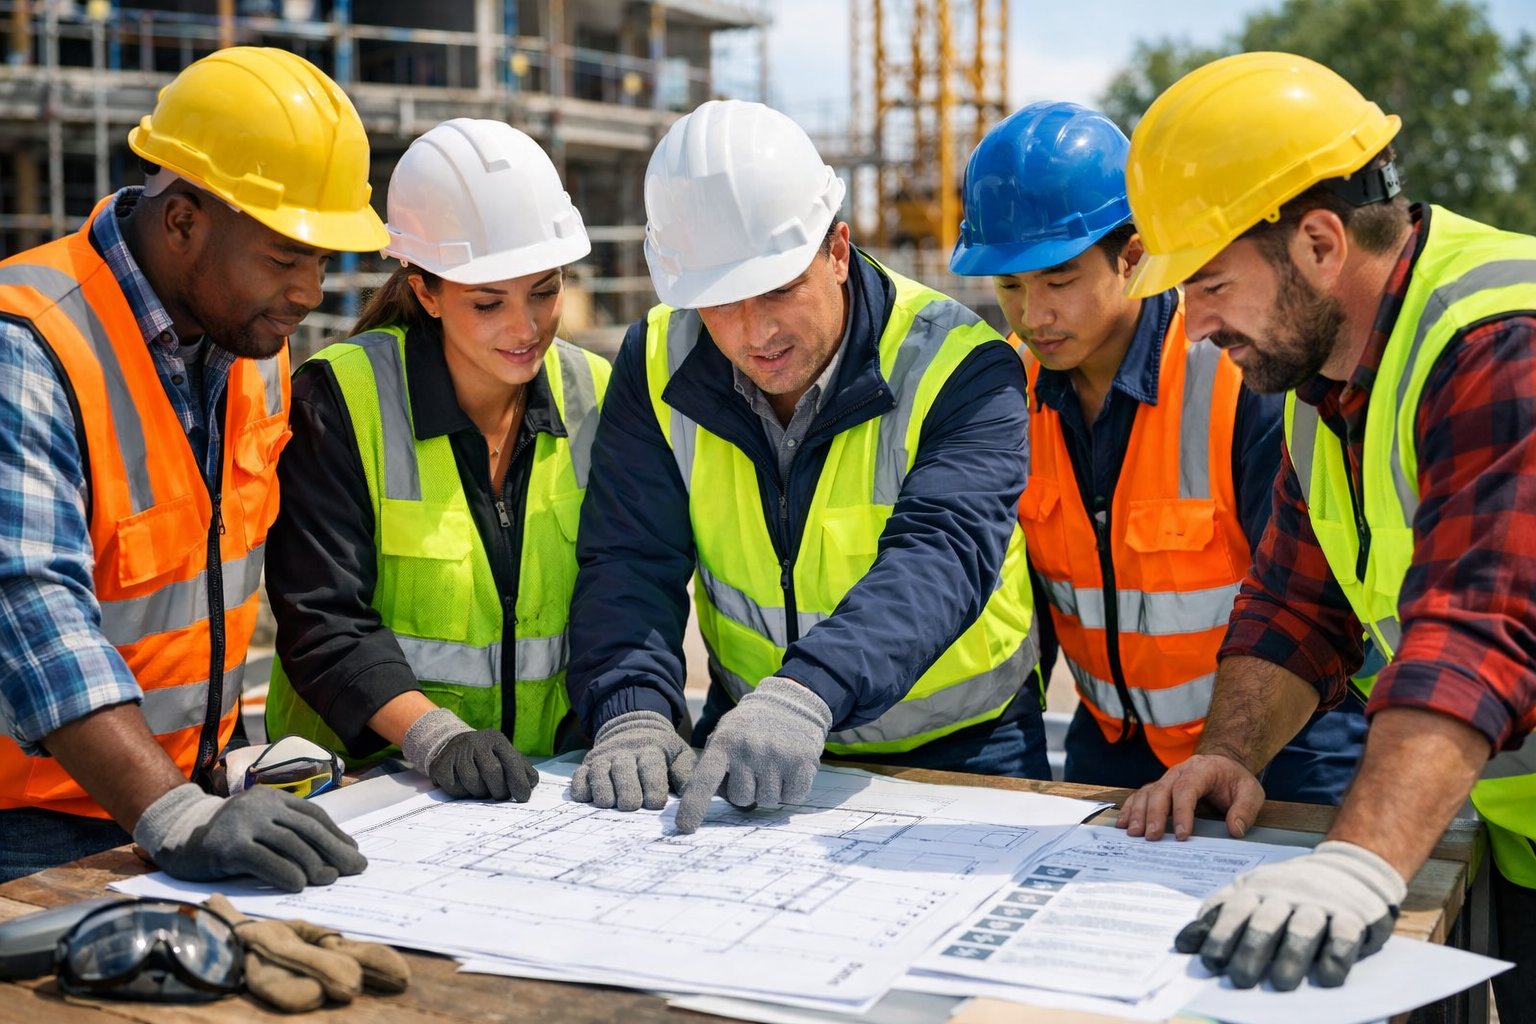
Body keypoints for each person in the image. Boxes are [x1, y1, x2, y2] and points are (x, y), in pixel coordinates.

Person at [1113, 51, 1536, 1001]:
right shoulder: (1327, 381)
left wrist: (1357, 863)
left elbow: (1479, 626)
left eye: (1210, 285)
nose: (1191, 328)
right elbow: (1300, 607)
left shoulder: (1499, 339)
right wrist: (1228, 753)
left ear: (1317, 243)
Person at [567, 99, 1045, 835]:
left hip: (966, 746)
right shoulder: (656, 359)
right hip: (748, 734)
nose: (756, 334)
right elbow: (631, 557)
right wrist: (632, 709)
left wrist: (808, 690)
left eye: (779, 290)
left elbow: (942, 553)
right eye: (721, 303)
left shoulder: (961, 366)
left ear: (838, 250)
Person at [0, 47, 386, 889]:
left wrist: (220, 773)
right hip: (30, 833)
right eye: (286, 257)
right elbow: (30, 608)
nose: (310, 291)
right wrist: (172, 815)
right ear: (182, 223)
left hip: (187, 799)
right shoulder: (28, 346)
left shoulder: (253, 346)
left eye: (321, 261)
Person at [949, 100, 1366, 801]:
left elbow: (1312, 603)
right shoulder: (1009, 395)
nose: (1033, 314)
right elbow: (1022, 608)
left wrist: (1240, 750)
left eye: (1059, 279)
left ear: (1134, 256)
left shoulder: (1236, 380)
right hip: (1113, 744)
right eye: (1010, 286)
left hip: (1285, 748)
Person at [263, 119, 609, 804]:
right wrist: (434, 736)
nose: (525, 327)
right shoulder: (342, 399)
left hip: (540, 790)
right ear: (424, 290)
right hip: (360, 792)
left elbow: (622, 586)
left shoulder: (593, 394)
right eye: (488, 302)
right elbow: (321, 615)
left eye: (544, 290)